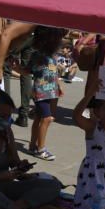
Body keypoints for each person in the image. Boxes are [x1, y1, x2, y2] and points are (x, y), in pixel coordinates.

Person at [27, 27, 66, 160]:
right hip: (41, 92)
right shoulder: (38, 55)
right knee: (47, 118)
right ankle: (41, 149)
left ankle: (33, 146)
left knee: (39, 118)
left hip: (51, 91)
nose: (59, 43)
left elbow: (53, 72)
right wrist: (15, 67)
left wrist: (59, 85)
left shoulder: (53, 55)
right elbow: (28, 71)